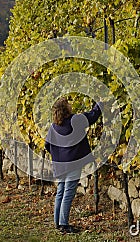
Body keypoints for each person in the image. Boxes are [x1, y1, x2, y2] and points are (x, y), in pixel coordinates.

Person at [45, 97, 102, 234]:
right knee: (68, 193)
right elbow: (92, 116)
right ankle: (64, 225)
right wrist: (100, 102)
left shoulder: (53, 127)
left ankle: (57, 223)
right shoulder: (75, 121)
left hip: (60, 165)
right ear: (66, 109)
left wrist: (58, 154)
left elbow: (47, 145)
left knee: (60, 192)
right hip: (73, 163)